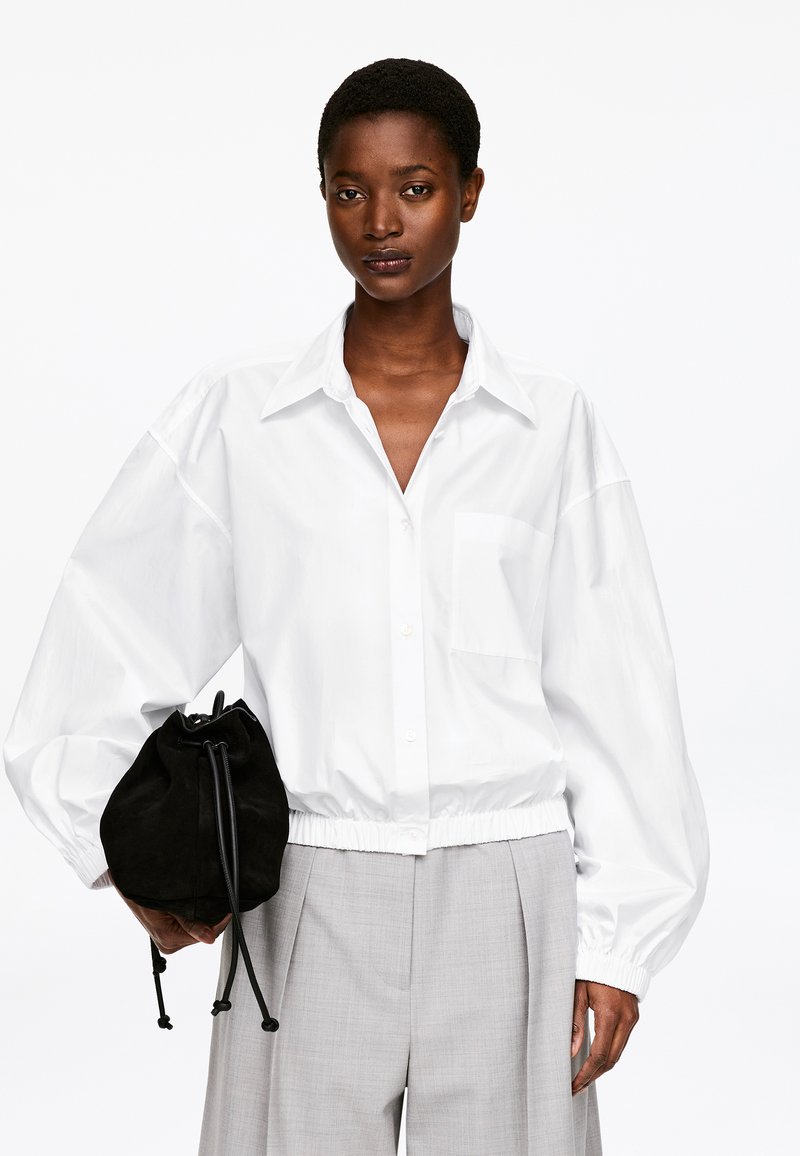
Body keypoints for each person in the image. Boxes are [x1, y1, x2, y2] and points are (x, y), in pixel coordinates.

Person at [3, 57, 710, 1155]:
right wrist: (122, 852)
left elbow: (617, 691)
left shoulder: (550, 426)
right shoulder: (240, 419)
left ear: (469, 192)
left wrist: (619, 943)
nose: (381, 221)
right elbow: (105, 629)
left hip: (509, 891)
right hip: (307, 892)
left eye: (415, 188)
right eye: (350, 190)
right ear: (323, 195)